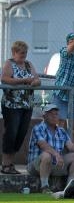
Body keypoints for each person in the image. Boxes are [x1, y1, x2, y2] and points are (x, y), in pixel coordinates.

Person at [1, 41, 40, 174]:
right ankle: (6, 164)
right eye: (21, 53)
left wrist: (34, 82)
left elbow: (37, 79)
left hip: (26, 105)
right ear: (14, 53)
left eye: (25, 53)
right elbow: (5, 79)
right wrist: (23, 81)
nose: (24, 55)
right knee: (11, 133)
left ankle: (11, 163)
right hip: (12, 105)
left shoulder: (28, 65)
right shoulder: (9, 64)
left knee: (21, 133)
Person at [27, 104, 74, 193]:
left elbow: (71, 146)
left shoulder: (61, 131)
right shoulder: (38, 128)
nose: (54, 116)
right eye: (51, 114)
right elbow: (43, 145)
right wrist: (56, 154)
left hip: (55, 164)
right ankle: (44, 187)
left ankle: (69, 187)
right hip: (36, 166)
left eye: (56, 114)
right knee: (46, 155)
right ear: (44, 116)